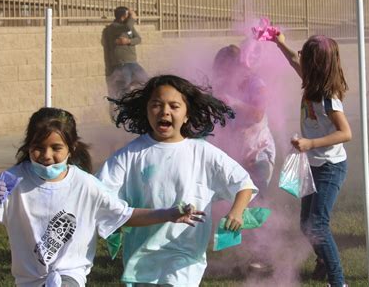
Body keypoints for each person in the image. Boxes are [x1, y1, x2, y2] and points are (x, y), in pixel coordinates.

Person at [0, 107, 204, 287]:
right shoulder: (13, 180)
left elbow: (124, 214)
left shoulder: (85, 185)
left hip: (70, 277)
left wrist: (169, 214)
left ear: (71, 148)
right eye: (38, 147)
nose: (46, 155)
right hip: (29, 281)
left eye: (56, 148)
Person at [96, 74, 258, 286]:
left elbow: (243, 184)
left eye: (174, 106)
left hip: (185, 251)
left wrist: (236, 212)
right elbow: (97, 193)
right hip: (142, 253)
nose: (165, 111)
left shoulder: (202, 152)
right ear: (147, 110)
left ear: (187, 115)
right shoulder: (130, 155)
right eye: (156, 105)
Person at [273, 33, 352, 287]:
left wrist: (311, 144)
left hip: (330, 168)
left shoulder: (329, 98)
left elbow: (346, 133)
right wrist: (279, 41)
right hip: (313, 165)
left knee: (317, 224)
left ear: (316, 65)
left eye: (306, 55)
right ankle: (323, 259)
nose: (301, 56)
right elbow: (292, 59)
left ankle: (338, 281)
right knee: (306, 225)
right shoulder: (310, 83)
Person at [211, 43, 276, 196]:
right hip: (237, 155)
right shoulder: (223, 87)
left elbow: (258, 114)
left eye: (227, 70)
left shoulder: (256, 84)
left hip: (258, 153)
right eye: (221, 71)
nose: (223, 75)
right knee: (234, 201)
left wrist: (233, 102)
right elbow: (224, 127)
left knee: (256, 200)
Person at [102, 6, 149, 99]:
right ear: (123, 16)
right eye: (128, 14)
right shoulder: (114, 27)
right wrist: (133, 17)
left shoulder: (128, 28)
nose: (129, 17)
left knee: (146, 82)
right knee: (124, 90)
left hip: (133, 62)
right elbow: (127, 26)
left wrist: (128, 41)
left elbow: (138, 39)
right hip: (122, 64)